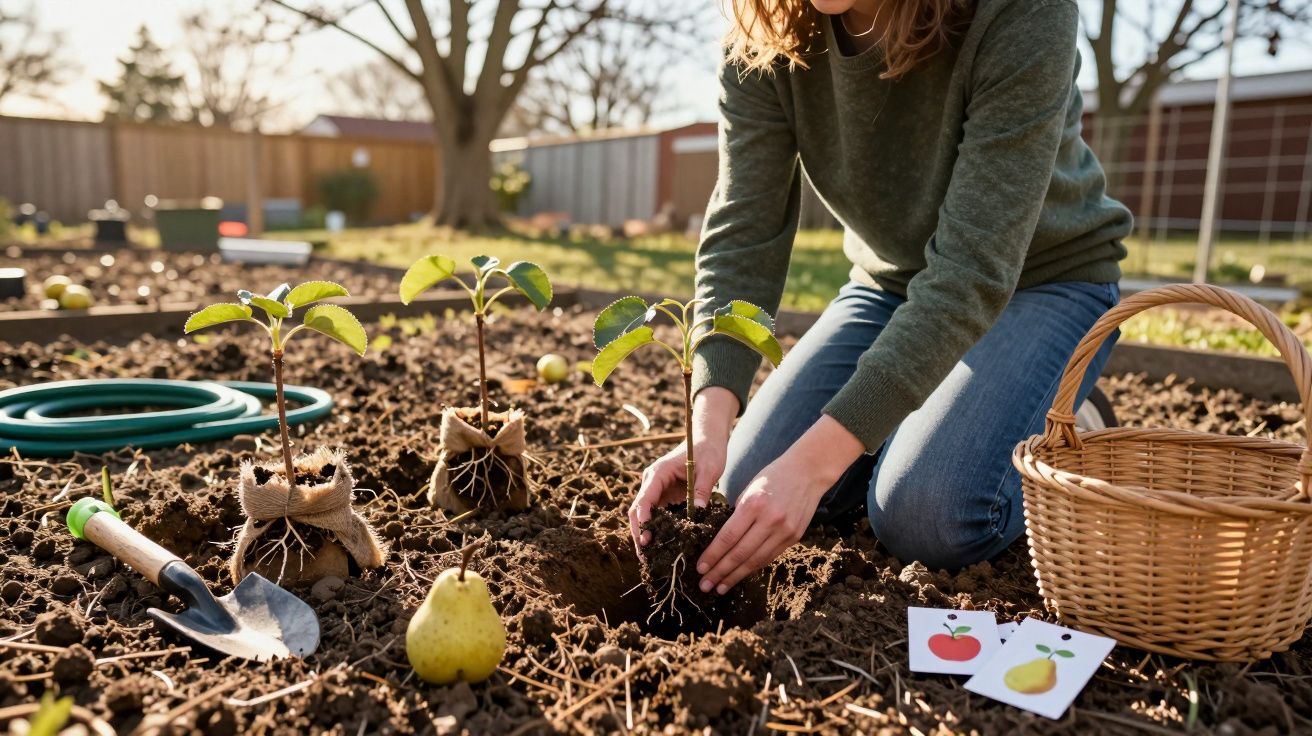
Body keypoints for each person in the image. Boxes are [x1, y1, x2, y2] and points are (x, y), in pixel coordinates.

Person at [628, 0, 1133, 596]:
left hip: (1042, 280)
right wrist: (708, 432)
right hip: (889, 285)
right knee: (745, 481)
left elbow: (973, 270)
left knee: (926, 517)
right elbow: (745, 233)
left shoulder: (1022, 12)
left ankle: (1067, 418)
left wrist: (816, 463)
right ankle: (917, 422)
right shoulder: (764, 30)